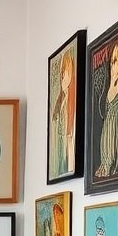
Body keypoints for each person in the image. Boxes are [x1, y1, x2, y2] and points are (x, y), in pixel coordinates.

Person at [95, 41, 118, 179]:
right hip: (106, 133)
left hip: (115, 133)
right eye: (112, 61)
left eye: (117, 60)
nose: (113, 65)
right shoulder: (108, 85)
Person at [51, 48, 75, 178]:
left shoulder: (71, 101)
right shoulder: (62, 100)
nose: (64, 78)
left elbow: (70, 134)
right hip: (60, 143)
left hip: (67, 142)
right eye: (62, 74)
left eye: (67, 73)